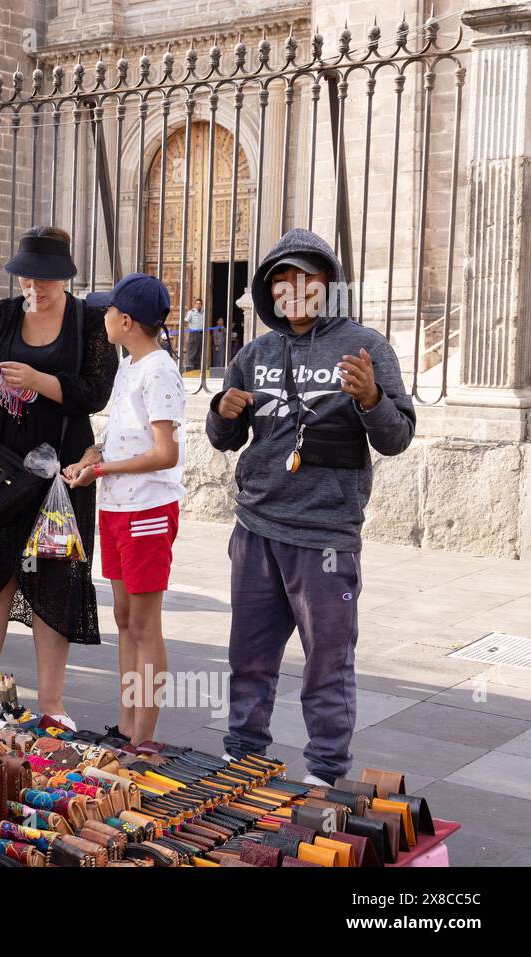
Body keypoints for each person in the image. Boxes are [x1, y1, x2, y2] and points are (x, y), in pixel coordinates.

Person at [206, 228, 415, 786]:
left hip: (324, 534)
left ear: (328, 285)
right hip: (255, 529)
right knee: (248, 658)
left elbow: (396, 438)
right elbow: (223, 440)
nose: (293, 290)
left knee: (327, 663)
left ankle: (325, 772)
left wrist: (370, 398)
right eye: (281, 281)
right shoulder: (253, 354)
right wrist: (222, 412)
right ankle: (242, 759)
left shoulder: (366, 347)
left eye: (306, 279)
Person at [0, 226, 117, 726]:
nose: (34, 291)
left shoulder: (89, 322)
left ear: (64, 279)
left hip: (61, 476)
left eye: (44, 282)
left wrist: (40, 381)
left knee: (54, 581)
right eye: (26, 281)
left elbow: (96, 393)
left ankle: (53, 704)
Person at [65, 274, 185, 745]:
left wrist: (103, 468)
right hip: (117, 505)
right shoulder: (132, 366)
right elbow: (124, 436)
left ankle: (144, 739)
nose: (103, 317)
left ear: (127, 320)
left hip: (147, 509)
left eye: (109, 310)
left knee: (144, 622)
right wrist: (93, 459)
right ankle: (127, 725)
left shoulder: (159, 370)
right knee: (122, 617)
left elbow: (165, 453)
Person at [184, 297, 205, 371]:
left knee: (199, 351)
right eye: (197, 303)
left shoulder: (203, 313)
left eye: (200, 304)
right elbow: (186, 321)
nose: (198, 305)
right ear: (195, 304)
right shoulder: (191, 312)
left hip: (201, 333)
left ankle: (197, 368)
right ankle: (190, 367)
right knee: (192, 350)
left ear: (201, 305)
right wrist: (189, 329)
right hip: (194, 333)